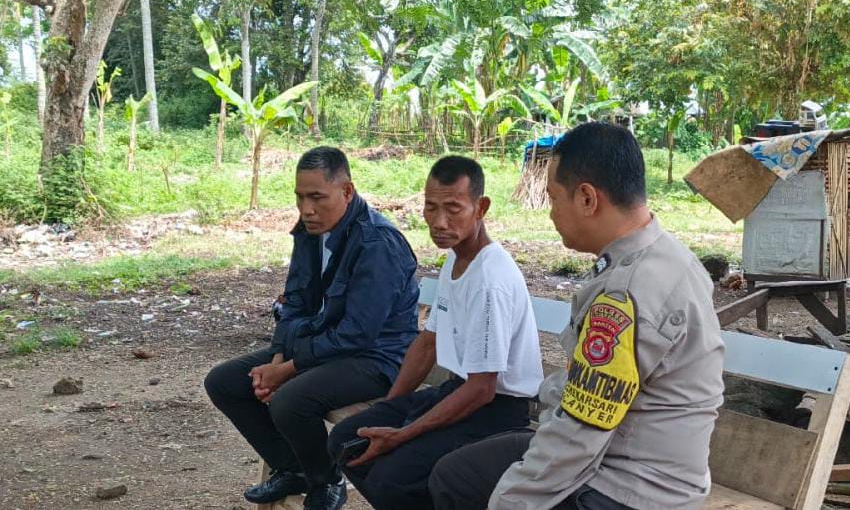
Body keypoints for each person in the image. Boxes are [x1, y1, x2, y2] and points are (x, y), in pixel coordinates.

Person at [428, 122, 725, 510]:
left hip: (627, 484)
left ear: (587, 198)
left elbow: (582, 431)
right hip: (633, 453)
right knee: (458, 472)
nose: (552, 214)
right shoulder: (668, 254)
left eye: (554, 199)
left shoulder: (625, 294)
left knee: (472, 486)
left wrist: (510, 499)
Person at [204, 147, 420, 510]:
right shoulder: (310, 232)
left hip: (378, 358)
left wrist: (287, 370)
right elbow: (295, 302)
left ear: (346, 191)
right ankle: (295, 468)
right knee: (224, 382)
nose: (307, 209)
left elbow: (357, 334)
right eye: (300, 197)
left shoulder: (378, 243)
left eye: (317, 197)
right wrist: (277, 357)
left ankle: (327, 479)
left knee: (290, 400)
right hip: (324, 346)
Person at [326, 155, 544, 510]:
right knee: (347, 440)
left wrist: (401, 434)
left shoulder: (490, 279)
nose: (439, 222)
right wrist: (390, 407)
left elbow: (482, 389)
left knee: (391, 478)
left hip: (496, 412)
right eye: (431, 207)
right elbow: (428, 343)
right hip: (456, 391)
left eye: (453, 209)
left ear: (480, 208)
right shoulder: (456, 258)